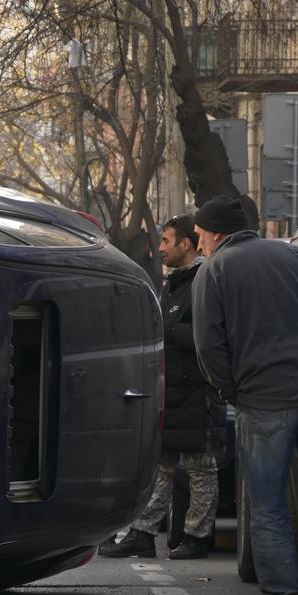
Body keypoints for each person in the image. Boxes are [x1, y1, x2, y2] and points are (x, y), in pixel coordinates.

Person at [191, 196, 298, 595]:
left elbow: (209, 346)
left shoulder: (214, 271)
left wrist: (232, 390)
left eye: (200, 234)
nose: (198, 242)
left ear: (216, 233)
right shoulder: (292, 255)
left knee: (268, 507)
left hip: (263, 401)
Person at [99, 215, 223, 560]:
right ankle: (142, 531)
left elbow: (208, 335)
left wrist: (167, 332)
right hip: (171, 389)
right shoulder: (175, 282)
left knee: (200, 465)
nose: (161, 248)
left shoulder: (202, 280)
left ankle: (198, 535)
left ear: (186, 244)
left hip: (196, 390)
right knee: (161, 464)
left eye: (167, 241)